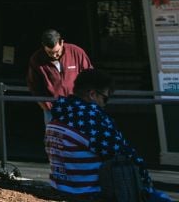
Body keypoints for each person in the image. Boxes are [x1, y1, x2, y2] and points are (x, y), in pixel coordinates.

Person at [46, 69, 168, 201]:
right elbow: (125, 153)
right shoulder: (91, 118)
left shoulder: (58, 115)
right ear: (92, 94)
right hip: (88, 193)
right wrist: (147, 184)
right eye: (105, 98)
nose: (104, 105)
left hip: (61, 187)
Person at [27, 29, 92, 123]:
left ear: (61, 42)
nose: (54, 55)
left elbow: (89, 76)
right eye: (50, 52)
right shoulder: (36, 59)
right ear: (43, 46)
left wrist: (87, 100)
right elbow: (34, 85)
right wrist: (45, 106)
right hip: (53, 109)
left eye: (57, 51)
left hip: (78, 106)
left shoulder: (77, 52)